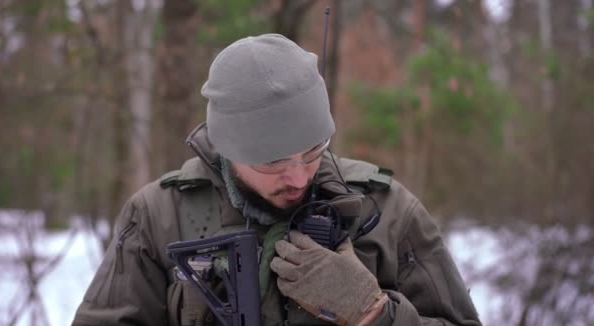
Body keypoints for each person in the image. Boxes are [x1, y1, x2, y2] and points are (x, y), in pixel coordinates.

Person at [73, 34, 481, 326]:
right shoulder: (159, 215)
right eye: (274, 162)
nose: (299, 176)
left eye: (312, 152)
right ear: (229, 150)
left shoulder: (387, 213)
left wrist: (373, 312)